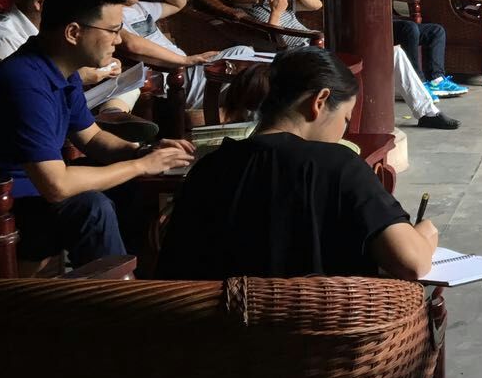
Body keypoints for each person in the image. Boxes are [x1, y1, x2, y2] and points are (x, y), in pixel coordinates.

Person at [156, 47, 439, 279]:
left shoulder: (209, 167)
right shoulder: (339, 165)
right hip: (321, 328)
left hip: (223, 329)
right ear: (320, 101)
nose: (344, 130)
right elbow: (412, 263)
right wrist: (424, 235)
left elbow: (174, 268)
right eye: (345, 118)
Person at [0, 0, 194, 266]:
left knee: (132, 184)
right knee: (92, 207)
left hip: (36, 193)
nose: (119, 40)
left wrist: (143, 153)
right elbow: (57, 185)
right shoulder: (24, 80)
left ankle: (147, 273)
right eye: (113, 30)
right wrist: (140, 165)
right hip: (12, 207)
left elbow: (91, 137)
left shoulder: (61, 70)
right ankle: (115, 292)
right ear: (73, 33)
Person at [215, 0, 458, 130]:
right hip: (301, 58)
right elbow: (272, 42)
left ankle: (427, 112)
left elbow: (315, 5)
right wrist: (277, 12)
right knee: (390, 54)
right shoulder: (243, 16)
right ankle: (426, 112)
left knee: (392, 52)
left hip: (316, 46)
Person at [283, 0, 467, 98]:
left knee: (435, 31)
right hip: (360, 25)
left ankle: (436, 79)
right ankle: (418, 84)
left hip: (374, 18)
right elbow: (324, 0)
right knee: (409, 28)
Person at [104, 0, 255, 110]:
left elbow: (179, 3)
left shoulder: (141, 7)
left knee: (245, 53)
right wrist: (185, 60)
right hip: (172, 79)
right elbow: (132, 44)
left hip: (188, 69)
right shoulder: (107, 14)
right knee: (251, 77)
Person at [0, 0, 140, 116]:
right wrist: (83, 75)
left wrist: (102, 61)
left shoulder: (53, 41)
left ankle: (113, 114)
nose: (118, 40)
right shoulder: (5, 38)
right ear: (40, 3)